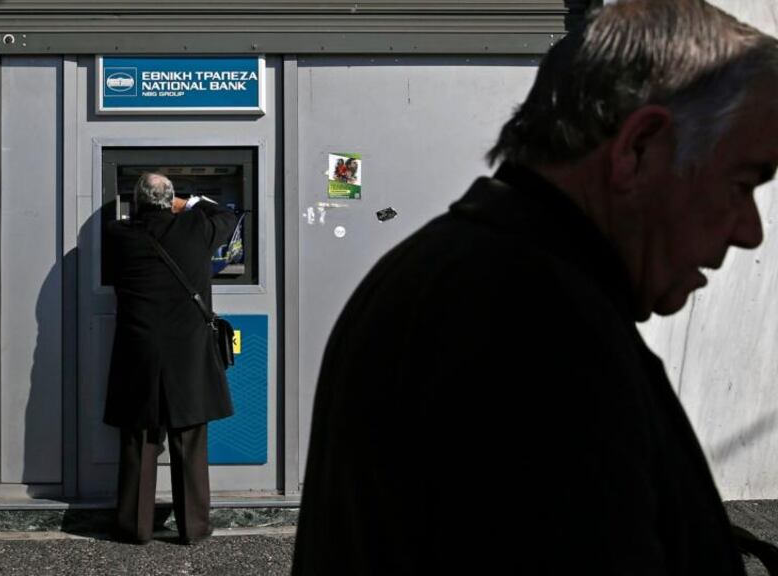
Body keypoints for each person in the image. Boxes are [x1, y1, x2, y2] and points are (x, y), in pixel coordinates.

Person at [292, 1, 778, 574]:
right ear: (640, 147)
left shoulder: (458, 269)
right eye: (744, 182)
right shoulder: (535, 332)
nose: (751, 231)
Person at [103, 172, 238, 545]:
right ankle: (193, 528)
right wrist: (188, 203)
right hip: (188, 355)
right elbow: (226, 214)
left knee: (140, 441)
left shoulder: (119, 235)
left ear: (136, 202)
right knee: (190, 441)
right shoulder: (197, 228)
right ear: (171, 201)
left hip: (140, 353)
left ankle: (135, 526)